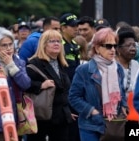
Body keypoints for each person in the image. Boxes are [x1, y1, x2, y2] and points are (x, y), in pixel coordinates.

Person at [68, 27, 127, 141]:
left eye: (115, 46)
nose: (113, 50)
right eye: (108, 46)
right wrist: (92, 112)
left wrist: (124, 106)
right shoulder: (84, 69)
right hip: (90, 125)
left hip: (114, 124)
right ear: (97, 48)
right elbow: (73, 97)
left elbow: (121, 91)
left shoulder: (118, 68)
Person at [25, 29, 72, 141]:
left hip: (61, 117)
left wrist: (67, 110)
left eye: (59, 41)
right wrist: (40, 85)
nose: (56, 44)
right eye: (52, 41)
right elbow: (25, 84)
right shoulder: (35, 63)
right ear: (43, 44)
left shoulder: (62, 63)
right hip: (42, 117)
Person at [60, 13, 81, 141]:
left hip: (74, 92)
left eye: (77, 25)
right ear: (63, 28)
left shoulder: (74, 44)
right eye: (72, 26)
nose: (76, 28)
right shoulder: (59, 45)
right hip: (63, 93)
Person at [115, 26, 139, 127]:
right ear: (118, 48)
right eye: (128, 45)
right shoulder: (111, 66)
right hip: (117, 115)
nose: (133, 48)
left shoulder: (136, 64)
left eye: (134, 45)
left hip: (135, 113)